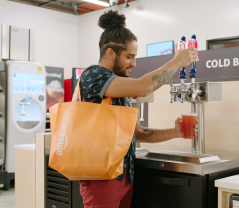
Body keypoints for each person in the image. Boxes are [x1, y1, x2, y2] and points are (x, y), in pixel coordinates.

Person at [79, 10, 199, 208]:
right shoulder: (94, 75)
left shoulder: (117, 85)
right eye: (129, 57)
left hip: (124, 176)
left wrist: (175, 132)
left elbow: (138, 133)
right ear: (110, 53)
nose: (134, 63)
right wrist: (177, 61)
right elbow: (144, 87)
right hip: (102, 177)